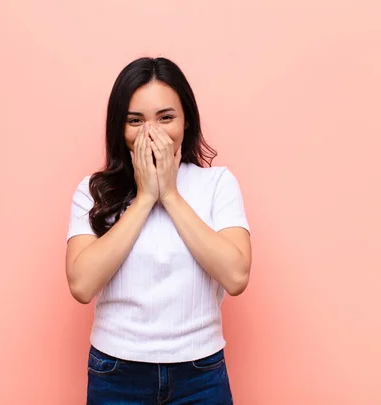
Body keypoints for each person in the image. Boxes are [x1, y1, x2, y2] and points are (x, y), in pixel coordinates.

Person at [65, 56, 252, 405]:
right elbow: (82, 284)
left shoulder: (217, 185)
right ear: (119, 128)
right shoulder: (93, 190)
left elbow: (236, 275)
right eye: (136, 120)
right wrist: (145, 197)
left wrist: (168, 193)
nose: (151, 132)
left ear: (187, 121)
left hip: (201, 373)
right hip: (116, 373)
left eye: (166, 118)